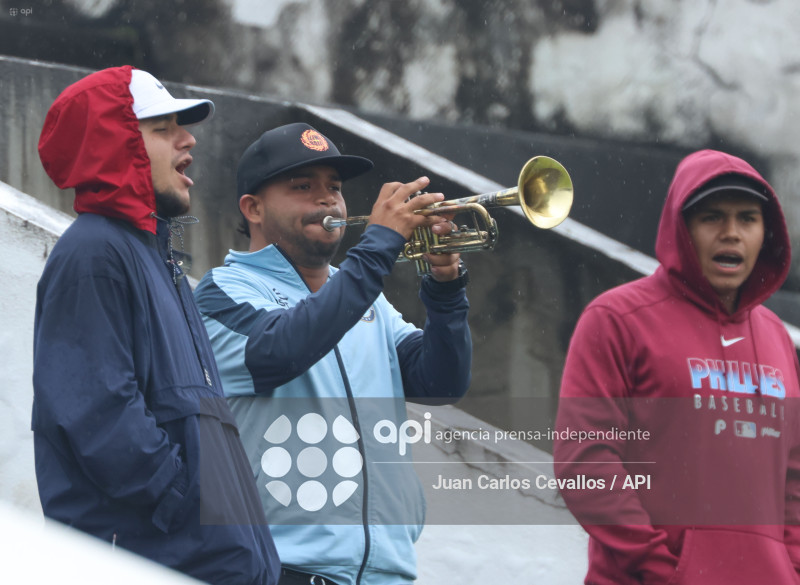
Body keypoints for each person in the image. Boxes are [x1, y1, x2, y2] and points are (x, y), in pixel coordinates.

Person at [193, 122, 472, 585]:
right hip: (284, 570)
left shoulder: (367, 301)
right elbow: (283, 349)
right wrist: (379, 245)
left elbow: (443, 382)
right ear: (254, 208)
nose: (327, 201)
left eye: (335, 188)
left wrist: (445, 288)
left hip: (389, 575)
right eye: (303, 186)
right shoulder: (222, 293)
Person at [33, 66, 279, 585]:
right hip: (162, 560)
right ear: (113, 140)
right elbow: (98, 415)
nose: (188, 141)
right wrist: (183, 506)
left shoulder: (156, 258)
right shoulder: (94, 252)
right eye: (163, 128)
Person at [554, 148, 800, 584]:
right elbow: (585, 462)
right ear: (680, 229)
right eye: (711, 218)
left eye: (747, 218)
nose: (732, 233)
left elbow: (795, 482)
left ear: (768, 232)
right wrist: (664, 570)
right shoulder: (616, 319)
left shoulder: (777, 336)